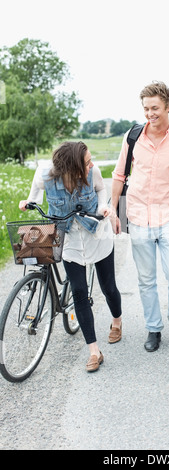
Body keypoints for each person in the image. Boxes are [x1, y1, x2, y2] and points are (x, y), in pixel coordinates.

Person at [19, 141, 122, 372]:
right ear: (72, 166)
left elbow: (100, 189)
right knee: (79, 292)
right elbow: (35, 190)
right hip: (69, 239)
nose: (92, 164)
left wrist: (104, 208)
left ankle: (117, 321)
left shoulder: (92, 173)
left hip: (96, 232)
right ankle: (94, 351)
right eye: (86, 162)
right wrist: (29, 202)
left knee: (109, 288)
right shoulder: (46, 174)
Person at [111, 81, 169, 352]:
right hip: (137, 217)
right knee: (146, 279)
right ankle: (153, 328)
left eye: (155, 108)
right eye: (146, 108)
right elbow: (119, 175)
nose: (150, 114)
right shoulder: (133, 136)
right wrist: (114, 210)